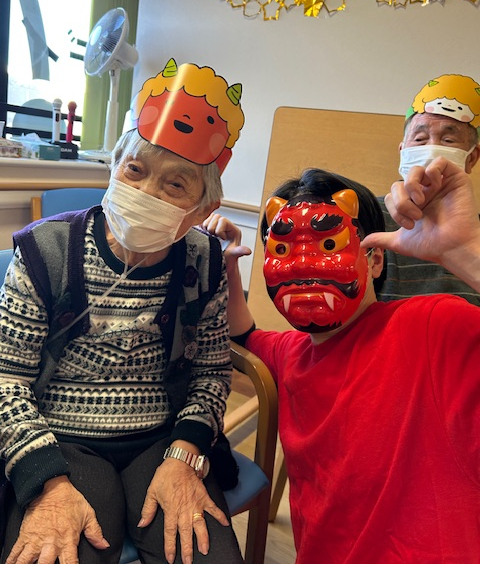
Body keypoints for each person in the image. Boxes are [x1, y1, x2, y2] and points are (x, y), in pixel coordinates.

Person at [0, 58, 246, 564]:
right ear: (113, 166)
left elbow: (212, 373)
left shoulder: (204, 261)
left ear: (201, 210)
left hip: (164, 438)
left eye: (175, 185)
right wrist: (48, 481)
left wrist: (185, 453)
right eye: (134, 170)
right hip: (60, 437)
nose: (145, 192)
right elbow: (6, 380)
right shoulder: (45, 251)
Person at [204, 157, 480, 564]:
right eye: (283, 249)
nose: (302, 265)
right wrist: (226, 265)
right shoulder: (291, 353)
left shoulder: (432, 327)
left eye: (328, 245)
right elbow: (243, 334)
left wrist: (467, 253)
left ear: (375, 259)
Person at [377, 72, 480, 304]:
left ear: (472, 158)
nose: (432, 149)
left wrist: (468, 252)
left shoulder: (475, 235)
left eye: (448, 141)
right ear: (403, 151)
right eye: (420, 139)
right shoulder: (364, 213)